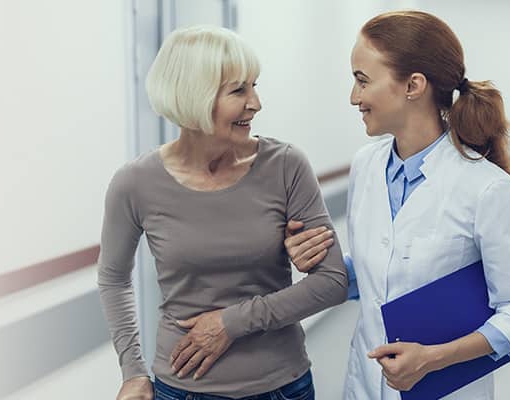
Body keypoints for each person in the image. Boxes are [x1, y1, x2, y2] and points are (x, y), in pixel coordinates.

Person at [283, 10, 510, 399]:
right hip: (365, 383)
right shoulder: (367, 165)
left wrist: (434, 358)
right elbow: (376, 269)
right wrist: (317, 261)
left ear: (413, 85)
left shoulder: (486, 188)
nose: (354, 97)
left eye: (362, 80)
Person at [97, 25, 347, 400]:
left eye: (254, 86)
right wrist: (132, 371)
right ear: (194, 97)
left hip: (281, 387)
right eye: (238, 90)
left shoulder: (285, 165)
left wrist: (231, 323)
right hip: (181, 390)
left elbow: (331, 282)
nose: (256, 103)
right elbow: (114, 278)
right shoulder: (135, 182)